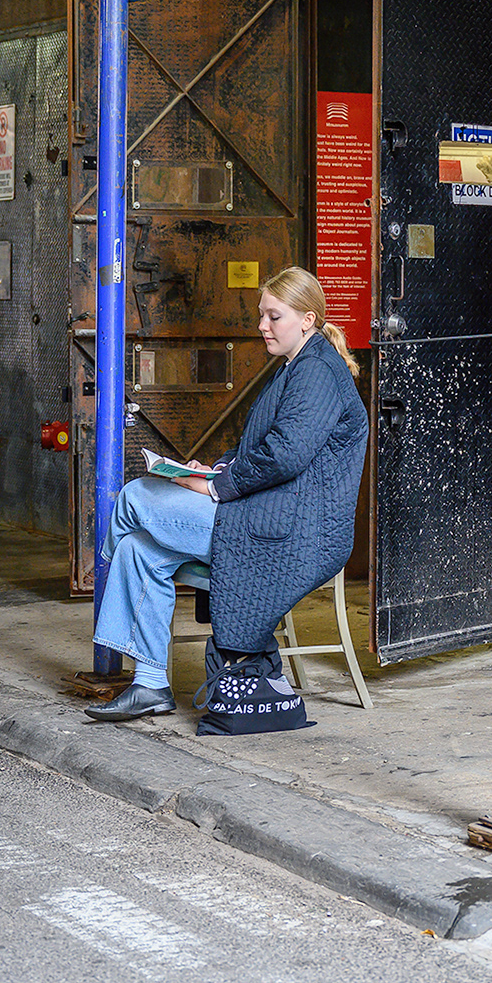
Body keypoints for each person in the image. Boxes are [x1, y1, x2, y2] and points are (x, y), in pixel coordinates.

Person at [84, 267, 369, 723]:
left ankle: (104, 581)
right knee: (139, 551)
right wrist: (215, 467)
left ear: (307, 320)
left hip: (293, 530)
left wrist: (215, 486)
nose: (262, 326)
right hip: (268, 512)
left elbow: (285, 455)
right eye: (262, 315)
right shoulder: (299, 365)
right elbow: (264, 445)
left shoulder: (317, 371)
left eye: (273, 316)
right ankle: (150, 684)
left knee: (136, 497)